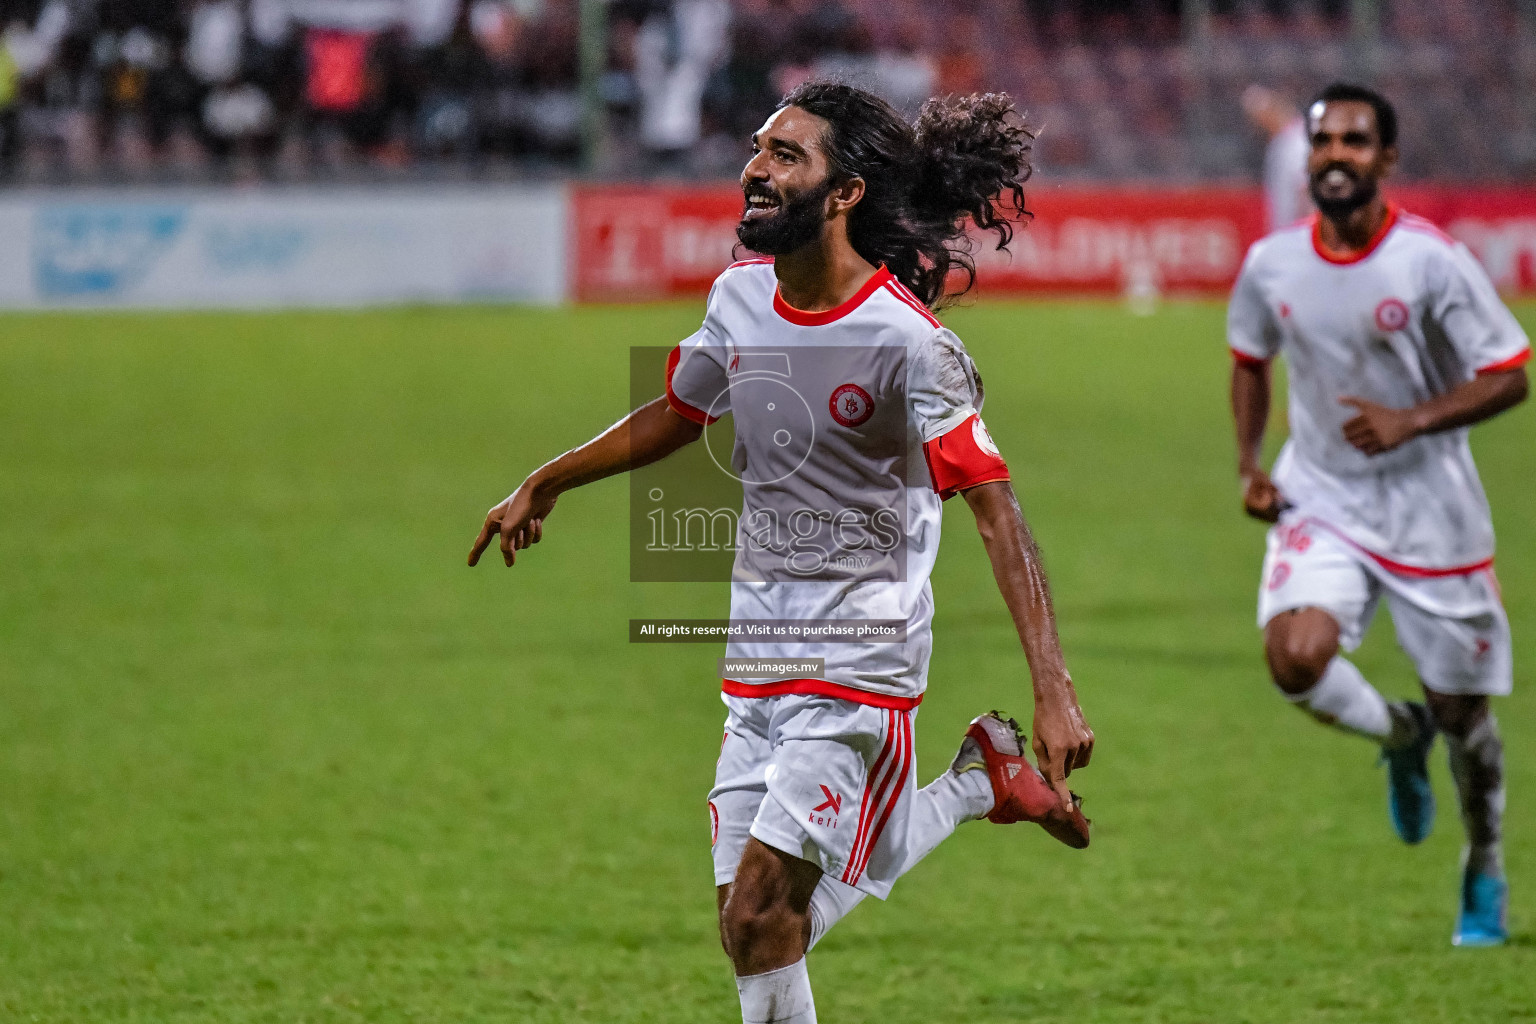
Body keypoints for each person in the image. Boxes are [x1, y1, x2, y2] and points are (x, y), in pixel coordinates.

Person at [469, 81, 1095, 1023]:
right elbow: (681, 410)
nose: (756, 169)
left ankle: (978, 781)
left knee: (762, 914)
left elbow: (998, 513)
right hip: (757, 657)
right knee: (751, 928)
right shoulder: (739, 298)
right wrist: (549, 479)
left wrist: (1055, 686)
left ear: (844, 194)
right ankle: (977, 783)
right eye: (759, 149)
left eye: (786, 155)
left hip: (862, 664)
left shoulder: (910, 346)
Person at [1228, 82, 1529, 947]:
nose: (1335, 156)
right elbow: (1249, 359)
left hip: (1433, 508)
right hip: (1321, 493)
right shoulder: (1272, 264)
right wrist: (1250, 466)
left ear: (1386, 159)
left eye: (1356, 143)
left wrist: (1412, 419)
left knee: (1466, 718)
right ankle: (1401, 737)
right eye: (1323, 142)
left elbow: (1510, 371)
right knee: (1295, 658)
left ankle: (1484, 864)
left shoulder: (1430, 262)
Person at [1241, 84, 1310, 232]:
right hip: (1285, 231)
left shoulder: (1298, 141)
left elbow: (1305, 189)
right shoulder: (1279, 143)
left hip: (1297, 231)